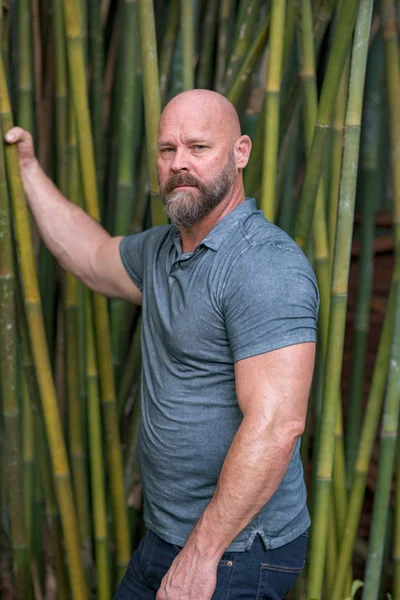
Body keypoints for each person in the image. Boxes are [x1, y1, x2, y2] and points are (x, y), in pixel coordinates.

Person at [6, 89, 319, 600]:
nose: (179, 164)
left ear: (240, 153)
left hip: (237, 551)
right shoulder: (162, 250)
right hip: (169, 536)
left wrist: (201, 556)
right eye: (167, 150)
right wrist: (28, 169)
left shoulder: (263, 265)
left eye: (198, 148)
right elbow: (89, 255)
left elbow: (278, 425)